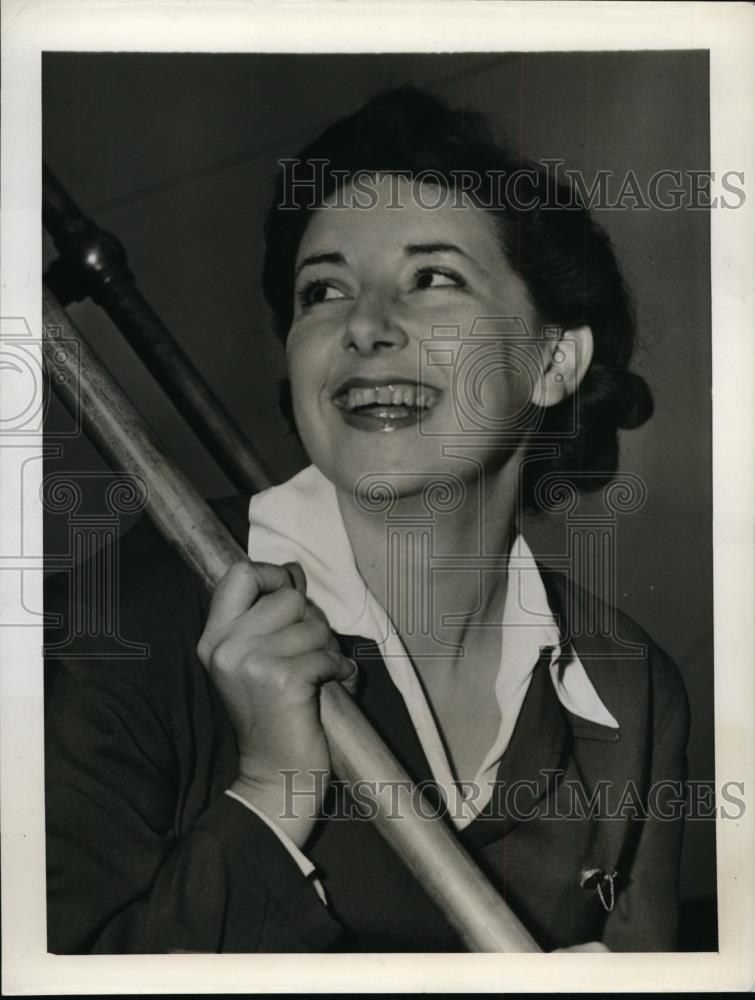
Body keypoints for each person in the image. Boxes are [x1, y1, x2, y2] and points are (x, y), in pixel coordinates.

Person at [44, 85, 690, 954]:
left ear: (552, 361)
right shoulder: (106, 623)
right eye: (322, 291)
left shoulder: (628, 686)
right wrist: (271, 793)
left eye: (432, 278)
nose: (365, 327)